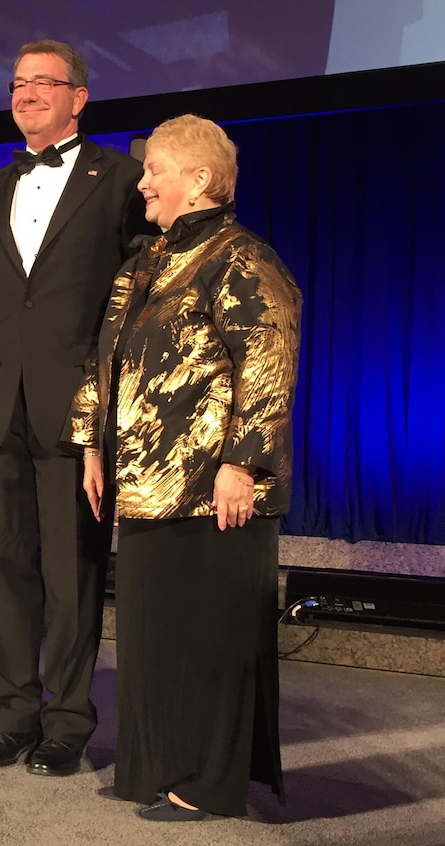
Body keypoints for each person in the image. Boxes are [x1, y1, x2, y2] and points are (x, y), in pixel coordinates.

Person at [65, 114, 301, 821]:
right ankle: (151, 767)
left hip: (212, 491)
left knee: (207, 641)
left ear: (198, 179)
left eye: (155, 170)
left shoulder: (242, 258)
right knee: (150, 638)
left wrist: (243, 464)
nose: (142, 183)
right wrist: (90, 445)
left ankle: (201, 783)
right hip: (143, 487)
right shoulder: (143, 264)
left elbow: (268, 363)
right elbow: (101, 358)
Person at [0, 40, 155, 775]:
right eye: (18, 83)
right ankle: (13, 717)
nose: (25, 93)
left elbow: (136, 298)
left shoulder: (122, 179)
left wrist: (111, 389)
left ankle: (67, 724)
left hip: (77, 407)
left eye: (42, 83)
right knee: (2, 565)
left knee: (71, 570)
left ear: (79, 96)